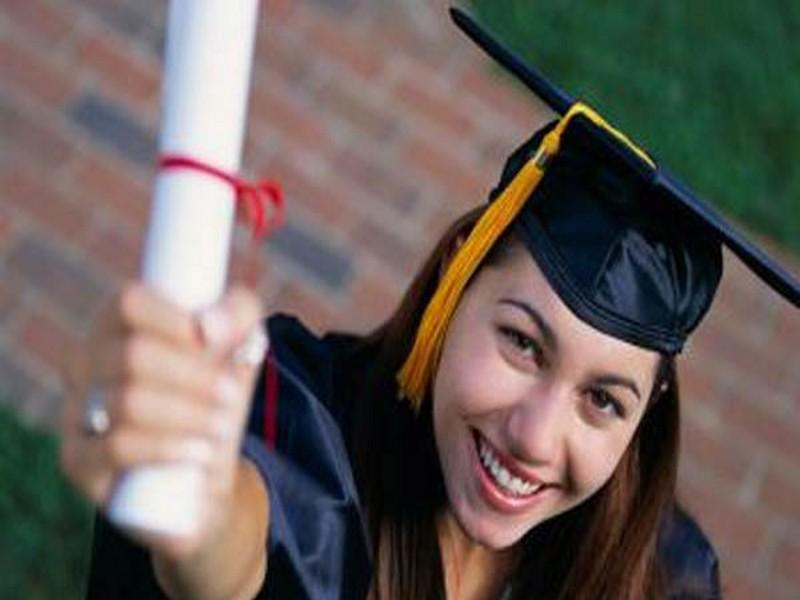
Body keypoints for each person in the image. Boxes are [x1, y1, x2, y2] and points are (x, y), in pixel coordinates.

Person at [61, 9, 798, 600]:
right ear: (458, 273)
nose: (535, 438)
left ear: (647, 413)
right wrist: (196, 499)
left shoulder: (665, 576)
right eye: (522, 343)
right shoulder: (305, 417)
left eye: (603, 400)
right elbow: (244, 540)